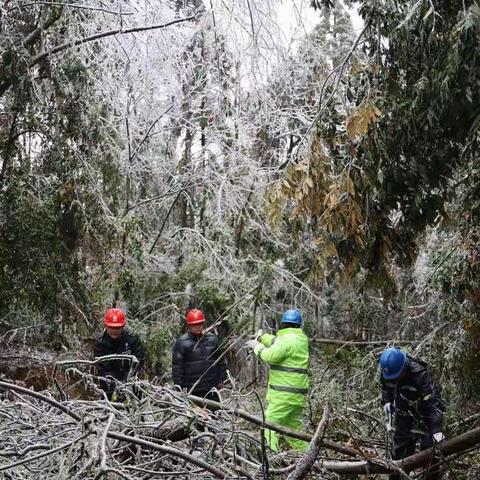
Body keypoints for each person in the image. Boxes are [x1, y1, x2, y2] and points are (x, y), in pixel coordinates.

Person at [247, 309, 310, 452]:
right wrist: (262, 337)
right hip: (296, 396)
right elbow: (277, 342)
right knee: (293, 432)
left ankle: (272, 460)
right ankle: (309, 459)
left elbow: (270, 356)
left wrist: (257, 347)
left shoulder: (286, 341)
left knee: (269, 426)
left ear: (283, 324)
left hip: (284, 395)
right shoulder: (300, 339)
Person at [379, 347, 445, 480]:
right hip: (404, 412)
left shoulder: (420, 374)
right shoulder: (389, 370)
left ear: (403, 368)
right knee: (400, 452)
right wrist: (387, 402)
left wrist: (436, 430)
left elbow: (433, 403)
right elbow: (386, 387)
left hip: (425, 414)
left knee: (430, 451)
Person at [172, 309, 227, 402]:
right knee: (196, 416)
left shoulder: (212, 340)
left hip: (212, 388)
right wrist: (180, 388)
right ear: (189, 325)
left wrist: (222, 379)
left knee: (215, 415)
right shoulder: (181, 343)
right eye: (194, 325)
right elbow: (177, 367)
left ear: (203, 323)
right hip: (192, 390)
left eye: (200, 324)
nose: (198, 327)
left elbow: (221, 361)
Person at [94, 307, 145, 400]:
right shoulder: (100, 343)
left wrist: (128, 379)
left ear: (123, 326)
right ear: (106, 326)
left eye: (117, 327)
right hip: (109, 386)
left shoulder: (132, 339)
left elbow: (139, 359)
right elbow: (103, 368)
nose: (114, 330)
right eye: (111, 327)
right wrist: (116, 385)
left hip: (131, 383)